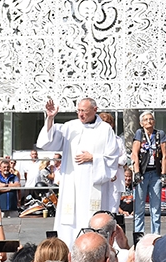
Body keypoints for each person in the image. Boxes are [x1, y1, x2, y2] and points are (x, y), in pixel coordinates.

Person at [36, 97, 120, 247]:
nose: (80, 114)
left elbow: (113, 157)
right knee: (70, 219)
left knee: (92, 217)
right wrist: (50, 118)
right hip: (72, 183)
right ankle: (68, 248)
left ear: (95, 110)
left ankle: (93, 249)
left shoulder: (105, 129)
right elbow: (48, 142)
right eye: (78, 111)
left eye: (84, 111)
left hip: (93, 184)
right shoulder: (70, 126)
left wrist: (93, 158)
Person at [131, 110, 166, 234]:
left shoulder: (160, 134)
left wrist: (164, 173)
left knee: (155, 207)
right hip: (143, 172)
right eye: (146, 119)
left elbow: (165, 155)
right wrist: (137, 172)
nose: (149, 121)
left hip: (155, 173)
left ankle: (155, 235)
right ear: (141, 123)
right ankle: (139, 235)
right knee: (139, 207)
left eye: (151, 119)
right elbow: (135, 153)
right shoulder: (139, 133)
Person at [98, 113, 127, 213]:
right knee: (100, 204)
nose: (106, 125)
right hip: (101, 175)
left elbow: (124, 158)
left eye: (109, 123)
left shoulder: (118, 140)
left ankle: (112, 221)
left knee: (114, 204)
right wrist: (111, 162)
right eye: (103, 123)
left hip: (116, 176)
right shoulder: (95, 141)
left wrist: (112, 163)